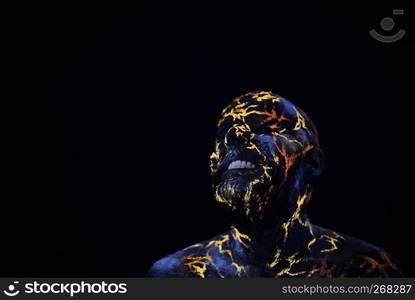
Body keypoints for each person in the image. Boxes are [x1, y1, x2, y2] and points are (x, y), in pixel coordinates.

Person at [147, 91, 402, 277]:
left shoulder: (366, 269)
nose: (234, 139)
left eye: (263, 127)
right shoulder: (176, 275)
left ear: (312, 162)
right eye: (222, 139)